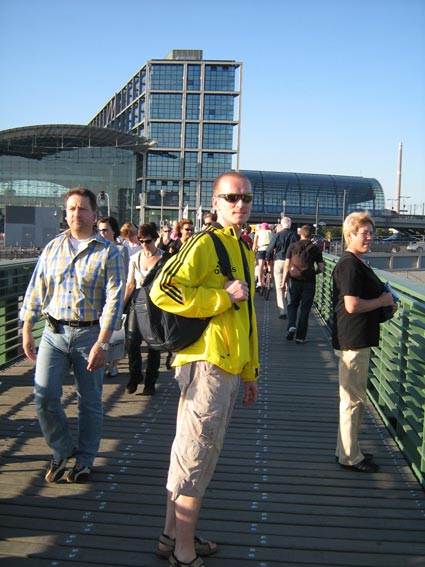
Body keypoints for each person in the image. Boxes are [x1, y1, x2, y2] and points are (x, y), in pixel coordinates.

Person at [150, 171, 259, 567]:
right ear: (215, 202)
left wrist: (250, 372)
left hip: (228, 365)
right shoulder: (203, 242)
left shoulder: (242, 248)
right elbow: (163, 289)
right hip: (207, 364)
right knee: (196, 458)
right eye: (231, 197)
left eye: (246, 198)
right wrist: (220, 296)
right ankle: (183, 551)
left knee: (189, 454)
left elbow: (247, 316)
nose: (240, 204)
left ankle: (170, 536)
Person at [20, 187, 125, 483]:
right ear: (65, 214)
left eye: (82, 208)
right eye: (71, 209)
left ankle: (85, 458)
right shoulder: (53, 247)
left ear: (94, 214)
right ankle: (62, 448)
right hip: (53, 333)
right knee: (44, 396)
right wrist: (27, 328)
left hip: (89, 335)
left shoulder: (109, 252)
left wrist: (103, 342)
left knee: (89, 401)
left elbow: (115, 301)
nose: (76, 213)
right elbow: (36, 288)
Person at [332, 212, 397, 473]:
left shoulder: (357, 262)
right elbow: (352, 305)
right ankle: (350, 457)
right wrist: (382, 301)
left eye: (372, 232)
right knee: (353, 401)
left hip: (358, 337)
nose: (370, 237)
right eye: (364, 233)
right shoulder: (350, 264)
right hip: (353, 339)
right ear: (350, 235)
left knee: (354, 399)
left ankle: (347, 450)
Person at [124, 222, 164, 395]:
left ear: (155, 239)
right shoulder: (135, 258)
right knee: (132, 341)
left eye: (148, 241)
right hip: (137, 302)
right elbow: (130, 284)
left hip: (157, 304)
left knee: (154, 344)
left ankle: (150, 381)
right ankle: (135, 375)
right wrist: (121, 305)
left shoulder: (164, 258)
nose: (144, 245)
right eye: (141, 241)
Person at [98, 216, 129, 378]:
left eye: (105, 230)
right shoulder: (96, 250)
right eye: (99, 230)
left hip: (114, 296)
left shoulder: (121, 250)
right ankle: (102, 362)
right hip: (98, 298)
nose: (102, 233)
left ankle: (114, 363)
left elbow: (125, 276)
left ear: (113, 231)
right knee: (99, 331)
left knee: (115, 332)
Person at [282, 224, 323, 343]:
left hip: (294, 280)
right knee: (305, 309)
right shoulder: (315, 249)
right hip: (309, 282)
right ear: (311, 236)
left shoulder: (292, 246)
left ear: (300, 234)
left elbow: (286, 266)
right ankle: (300, 337)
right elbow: (321, 268)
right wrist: (313, 273)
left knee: (292, 305)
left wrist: (284, 282)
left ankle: (291, 326)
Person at [265, 217, 298, 318]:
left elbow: (269, 249)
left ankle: (283, 311)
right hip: (291, 262)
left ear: (282, 225)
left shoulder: (277, 235)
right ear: (290, 225)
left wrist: (269, 259)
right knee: (289, 285)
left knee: (279, 287)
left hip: (279, 261)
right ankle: (290, 308)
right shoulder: (294, 235)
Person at [253, 222, 273, 290]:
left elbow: (255, 244)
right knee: (270, 265)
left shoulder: (258, 232)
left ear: (261, 227)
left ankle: (259, 282)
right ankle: (271, 282)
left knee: (260, 265)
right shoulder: (271, 232)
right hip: (269, 250)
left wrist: (253, 253)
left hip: (261, 249)